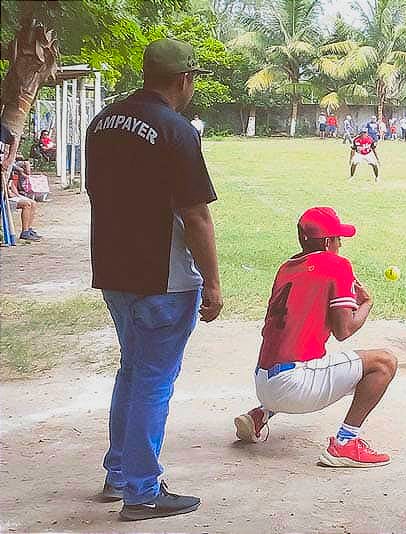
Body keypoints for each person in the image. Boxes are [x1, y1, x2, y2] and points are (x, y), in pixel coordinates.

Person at [85, 38, 223, 521]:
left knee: (133, 369)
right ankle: (142, 490)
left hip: (113, 269)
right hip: (163, 277)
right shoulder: (176, 130)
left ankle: (119, 472)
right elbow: (196, 216)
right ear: (185, 79)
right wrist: (214, 284)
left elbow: (96, 193)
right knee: (153, 380)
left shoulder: (101, 123)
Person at [233, 207, 396, 467]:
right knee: (384, 362)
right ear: (329, 242)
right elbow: (344, 331)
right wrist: (366, 303)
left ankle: (259, 414)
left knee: (318, 359)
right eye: (339, 239)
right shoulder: (337, 265)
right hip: (295, 384)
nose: (341, 244)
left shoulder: (286, 267)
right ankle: (345, 443)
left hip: (263, 382)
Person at [6, 168, 41, 242]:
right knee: (26, 204)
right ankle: (24, 232)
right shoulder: (4, 168)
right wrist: (10, 194)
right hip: (5, 199)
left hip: (10, 195)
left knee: (33, 203)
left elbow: (11, 184)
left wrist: (17, 195)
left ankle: (28, 229)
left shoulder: (10, 169)